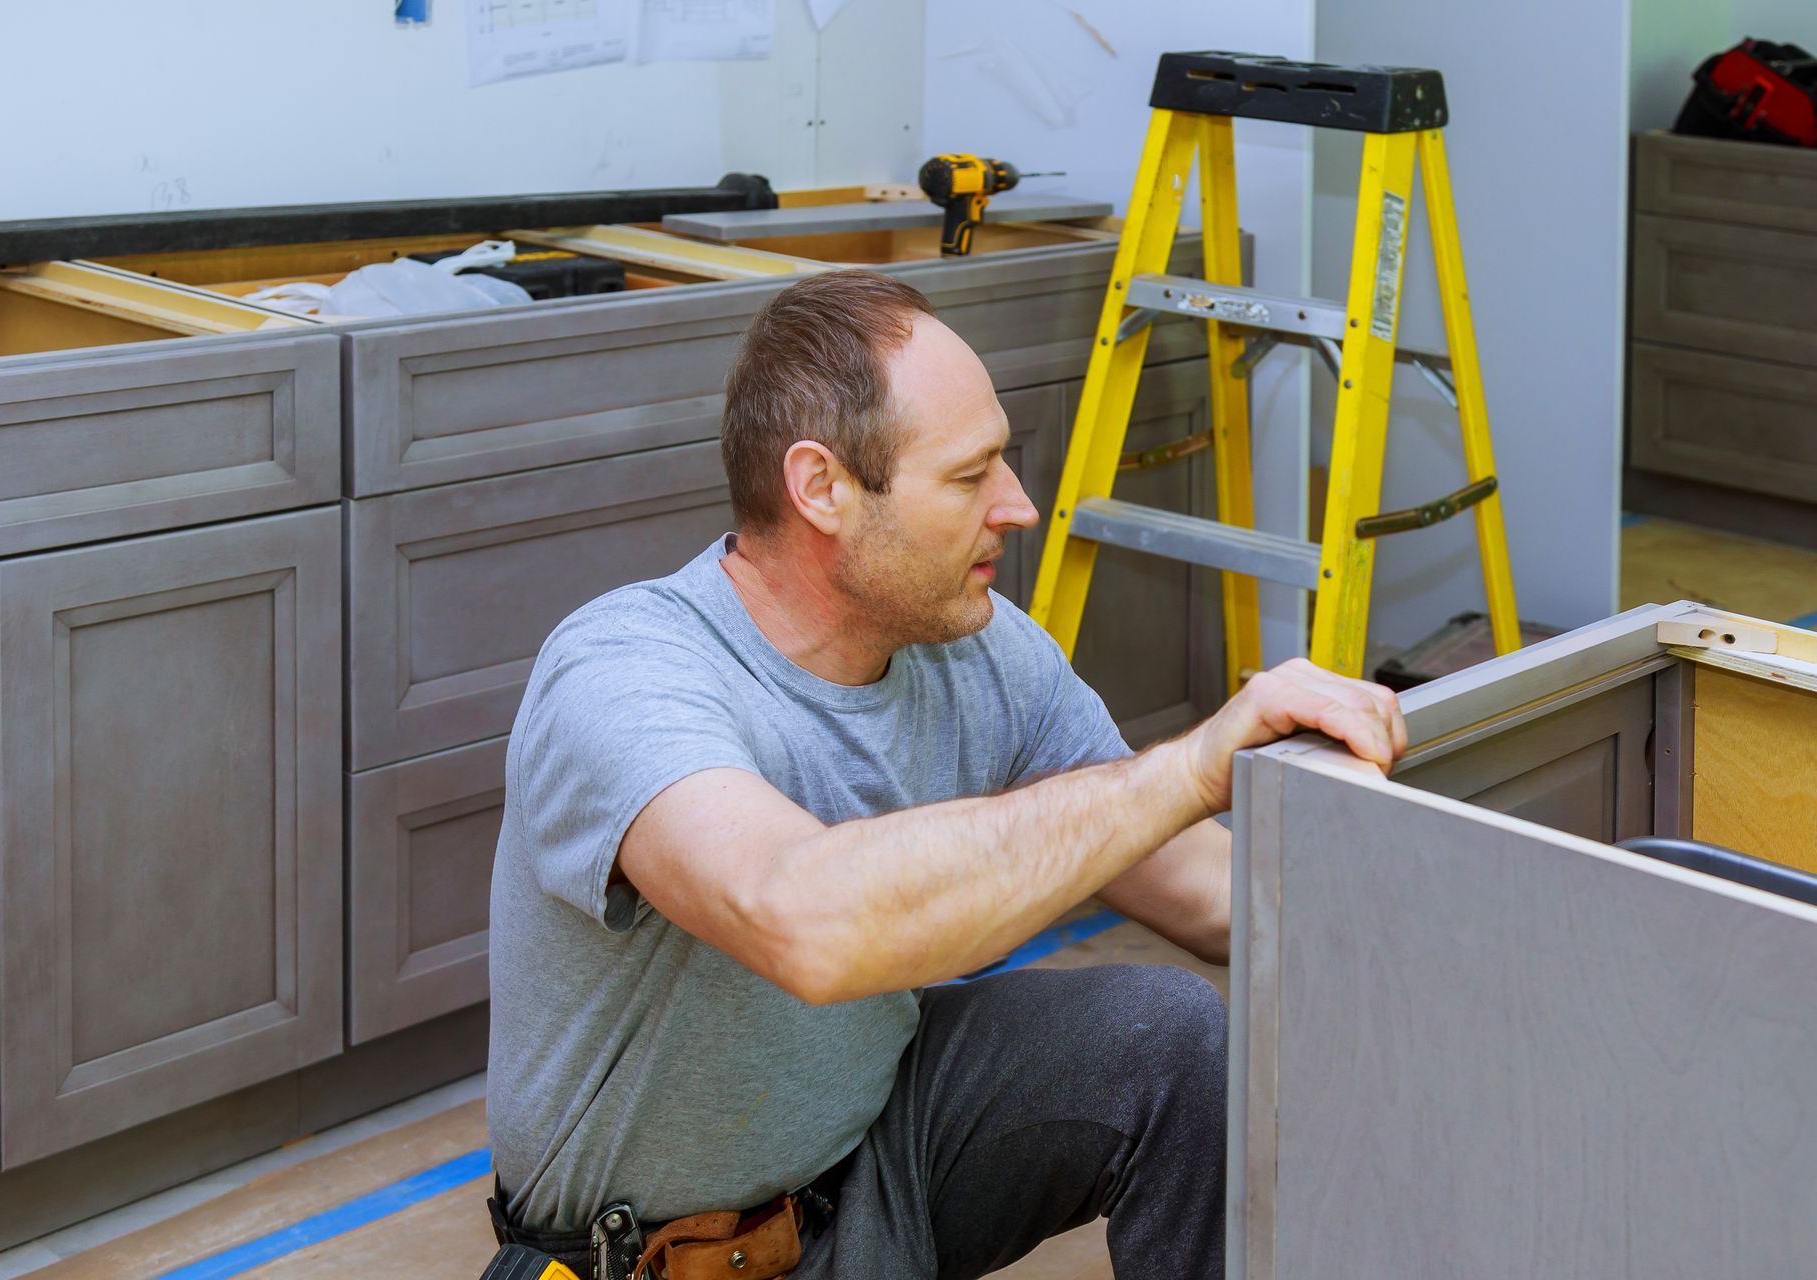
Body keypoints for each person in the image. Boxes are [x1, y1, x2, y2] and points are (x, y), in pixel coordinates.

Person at [487, 268, 1406, 1279]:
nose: (1016, 506)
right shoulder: (624, 671)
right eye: (970, 478)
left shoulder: (978, 650)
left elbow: (1206, 889)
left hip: (874, 1154)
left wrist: (1428, 887)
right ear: (821, 487)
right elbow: (806, 919)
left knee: (1173, 1041)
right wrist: (1190, 764)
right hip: (653, 1257)